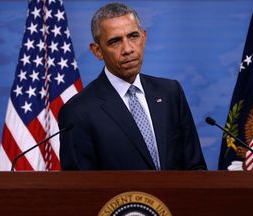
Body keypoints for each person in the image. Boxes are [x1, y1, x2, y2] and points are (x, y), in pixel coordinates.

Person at [58, 2, 206, 170]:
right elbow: (82, 190)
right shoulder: (78, 112)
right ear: (97, 51)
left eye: (133, 36)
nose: (128, 49)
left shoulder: (170, 93)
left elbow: (196, 169)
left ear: (144, 37)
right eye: (115, 41)